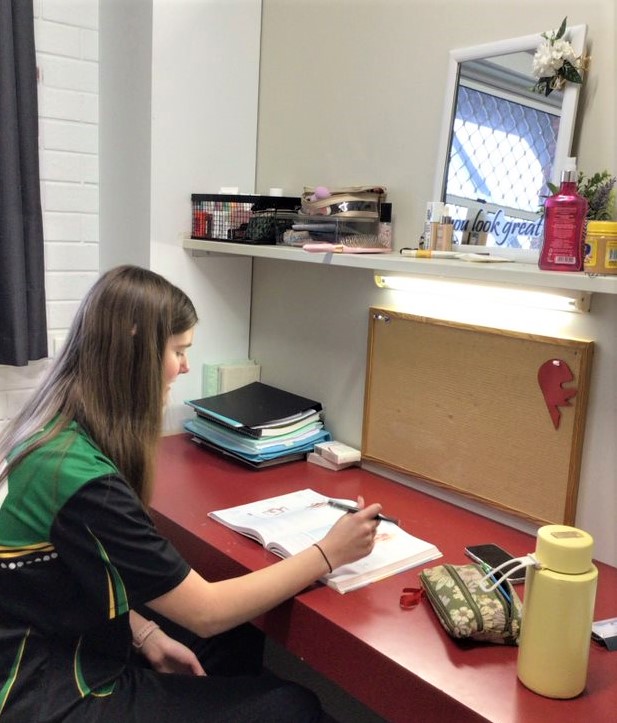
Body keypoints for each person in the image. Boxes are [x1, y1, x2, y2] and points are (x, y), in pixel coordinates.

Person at [0, 265, 382, 722]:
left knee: (234, 641)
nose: (184, 366)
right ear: (136, 347)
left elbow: (76, 576)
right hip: (40, 691)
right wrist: (329, 553)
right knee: (292, 706)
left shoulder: (46, 431)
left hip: (38, 644)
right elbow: (206, 611)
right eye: (178, 350)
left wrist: (144, 635)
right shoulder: (82, 480)